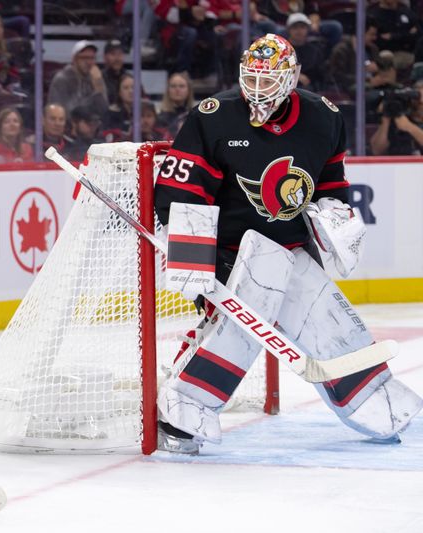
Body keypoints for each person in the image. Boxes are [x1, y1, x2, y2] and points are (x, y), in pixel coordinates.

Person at [153, 33, 422, 455]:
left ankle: (375, 399)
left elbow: (331, 185)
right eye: (251, 79)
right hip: (231, 255)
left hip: (290, 249)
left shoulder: (324, 117)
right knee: (235, 335)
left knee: (329, 317)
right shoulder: (214, 116)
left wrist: (335, 220)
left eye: (268, 80)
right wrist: (194, 262)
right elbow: (179, 193)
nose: (257, 91)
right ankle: (183, 410)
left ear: (292, 77)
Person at [47, 40, 108, 116]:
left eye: (92, 58)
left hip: (93, 125)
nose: (89, 62)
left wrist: (98, 85)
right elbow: (62, 113)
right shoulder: (62, 79)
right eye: (84, 58)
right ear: (74, 59)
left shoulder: (96, 78)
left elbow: (105, 112)